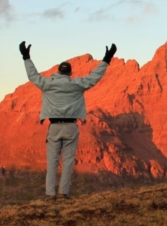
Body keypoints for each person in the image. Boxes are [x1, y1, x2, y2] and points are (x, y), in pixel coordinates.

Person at [19, 41, 117, 201]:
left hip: (54, 127)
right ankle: (63, 193)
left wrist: (26, 57)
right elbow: (95, 77)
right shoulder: (77, 84)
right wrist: (107, 58)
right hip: (71, 127)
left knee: (52, 162)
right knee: (68, 161)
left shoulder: (47, 84)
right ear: (70, 73)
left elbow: (33, 75)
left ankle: (50, 194)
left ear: (57, 72)